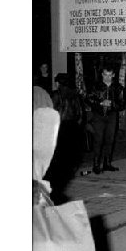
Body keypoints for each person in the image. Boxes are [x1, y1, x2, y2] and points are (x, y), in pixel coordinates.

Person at [45, 73, 84, 203]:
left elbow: (51, 111)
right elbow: (80, 114)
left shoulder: (56, 95)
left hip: (59, 127)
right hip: (72, 127)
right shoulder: (75, 95)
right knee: (68, 154)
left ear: (58, 83)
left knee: (57, 155)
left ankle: (54, 182)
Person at [86, 66, 124, 174]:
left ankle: (107, 164)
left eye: (109, 75)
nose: (107, 77)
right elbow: (88, 98)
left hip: (112, 116)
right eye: (105, 74)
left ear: (113, 75)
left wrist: (112, 104)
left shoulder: (118, 88)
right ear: (102, 75)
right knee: (98, 140)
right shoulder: (95, 86)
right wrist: (100, 103)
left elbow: (122, 104)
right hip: (98, 116)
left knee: (110, 140)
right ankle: (96, 165)